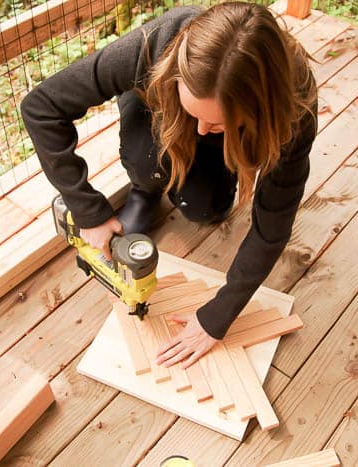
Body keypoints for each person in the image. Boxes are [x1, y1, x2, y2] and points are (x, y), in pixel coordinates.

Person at [21, 2, 317, 369]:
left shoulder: (294, 109)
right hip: (158, 107)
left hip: (219, 128)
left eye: (217, 123)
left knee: (205, 210)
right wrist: (89, 211)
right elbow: (40, 107)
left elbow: (272, 228)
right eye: (197, 115)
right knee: (149, 165)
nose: (201, 131)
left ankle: (208, 160)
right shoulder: (151, 45)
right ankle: (146, 188)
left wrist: (217, 317)